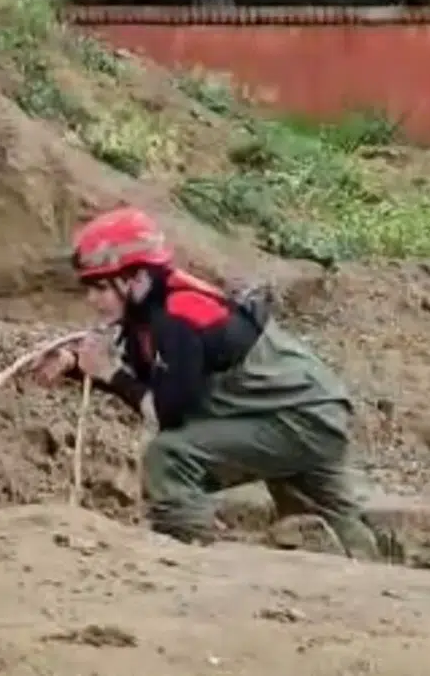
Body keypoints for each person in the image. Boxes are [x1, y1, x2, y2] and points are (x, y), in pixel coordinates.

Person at [32, 206, 381, 560]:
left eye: (101, 287)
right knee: (327, 515)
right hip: (308, 413)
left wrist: (109, 374)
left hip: (296, 420)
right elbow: (153, 382)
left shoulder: (176, 318)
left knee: (169, 455)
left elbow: (168, 413)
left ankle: (188, 558)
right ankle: (373, 575)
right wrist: (77, 365)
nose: (92, 299)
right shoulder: (158, 307)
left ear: (135, 280)